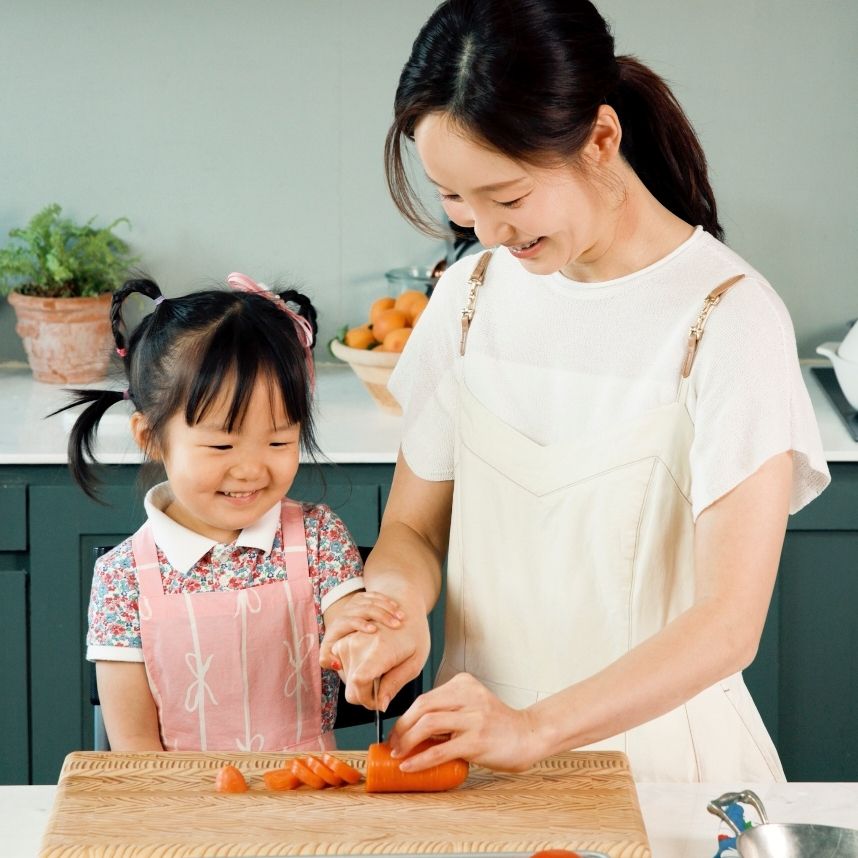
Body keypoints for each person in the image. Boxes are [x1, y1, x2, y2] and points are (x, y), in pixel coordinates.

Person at [322, 0, 831, 781]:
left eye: (507, 197)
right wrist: (391, 611)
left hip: (666, 776)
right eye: (454, 197)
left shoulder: (729, 319)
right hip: (477, 768)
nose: (485, 231)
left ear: (599, 139)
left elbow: (728, 624)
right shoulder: (469, 298)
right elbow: (413, 532)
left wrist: (536, 728)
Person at [58, 273, 404, 752]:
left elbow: (351, 629)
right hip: (179, 797)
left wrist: (365, 646)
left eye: (279, 442)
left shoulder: (318, 537)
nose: (251, 469)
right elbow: (134, 748)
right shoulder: (123, 579)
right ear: (151, 437)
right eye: (222, 445)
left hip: (308, 791)